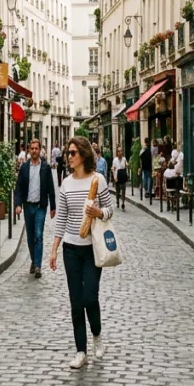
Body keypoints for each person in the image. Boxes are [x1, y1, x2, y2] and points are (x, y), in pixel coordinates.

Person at [49, 137, 114, 369]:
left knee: (90, 297)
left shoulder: (99, 180)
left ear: (84, 155)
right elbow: (62, 219)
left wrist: (98, 212)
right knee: (76, 302)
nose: (69, 156)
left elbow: (110, 210)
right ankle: (81, 351)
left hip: (92, 250)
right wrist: (55, 249)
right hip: (71, 249)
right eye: (68, 152)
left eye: (73, 153)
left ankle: (97, 334)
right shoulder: (65, 184)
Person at [13, 139, 55, 278]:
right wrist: (18, 204)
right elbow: (19, 187)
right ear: (29, 150)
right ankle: (34, 260)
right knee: (30, 237)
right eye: (32, 149)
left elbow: (50, 188)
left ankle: (37, 266)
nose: (34, 151)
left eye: (36, 148)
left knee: (38, 235)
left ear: (40, 150)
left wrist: (53, 207)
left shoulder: (45, 167)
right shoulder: (24, 167)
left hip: (40, 207)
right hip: (28, 206)